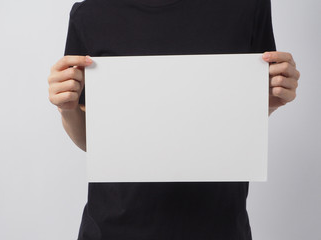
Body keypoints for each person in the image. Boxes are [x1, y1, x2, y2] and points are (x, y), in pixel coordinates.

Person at [47, 0, 300, 239]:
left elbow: (237, 116)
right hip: (113, 228)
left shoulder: (247, 6)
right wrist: (67, 109)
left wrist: (269, 100)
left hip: (218, 227)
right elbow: (93, 142)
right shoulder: (91, 14)